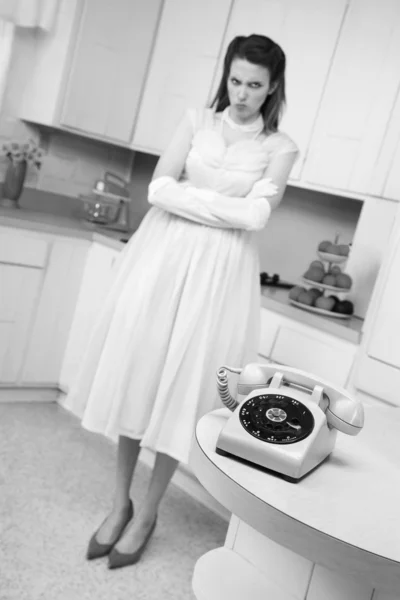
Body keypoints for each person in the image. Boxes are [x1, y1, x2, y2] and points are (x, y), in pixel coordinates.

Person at [64, 33, 299, 570]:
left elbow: (257, 217)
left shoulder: (279, 148)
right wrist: (223, 205)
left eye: (255, 85)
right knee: (139, 372)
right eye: (236, 79)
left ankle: (147, 512)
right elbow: (156, 189)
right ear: (227, 75)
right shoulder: (196, 120)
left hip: (220, 277)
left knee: (183, 388)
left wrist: (190, 200)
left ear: (272, 88)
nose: (242, 93)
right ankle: (118, 501)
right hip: (164, 261)